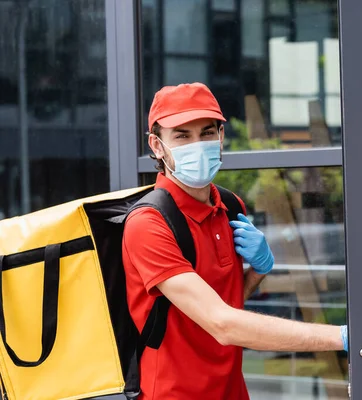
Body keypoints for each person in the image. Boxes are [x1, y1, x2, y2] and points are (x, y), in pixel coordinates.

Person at [122, 82, 348, 399]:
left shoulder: (230, 207)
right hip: (174, 393)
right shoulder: (148, 223)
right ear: (157, 146)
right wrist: (339, 337)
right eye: (182, 136)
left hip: (231, 390)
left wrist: (257, 270)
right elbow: (223, 323)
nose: (197, 144)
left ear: (221, 137)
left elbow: (227, 302)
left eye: (207, 133)